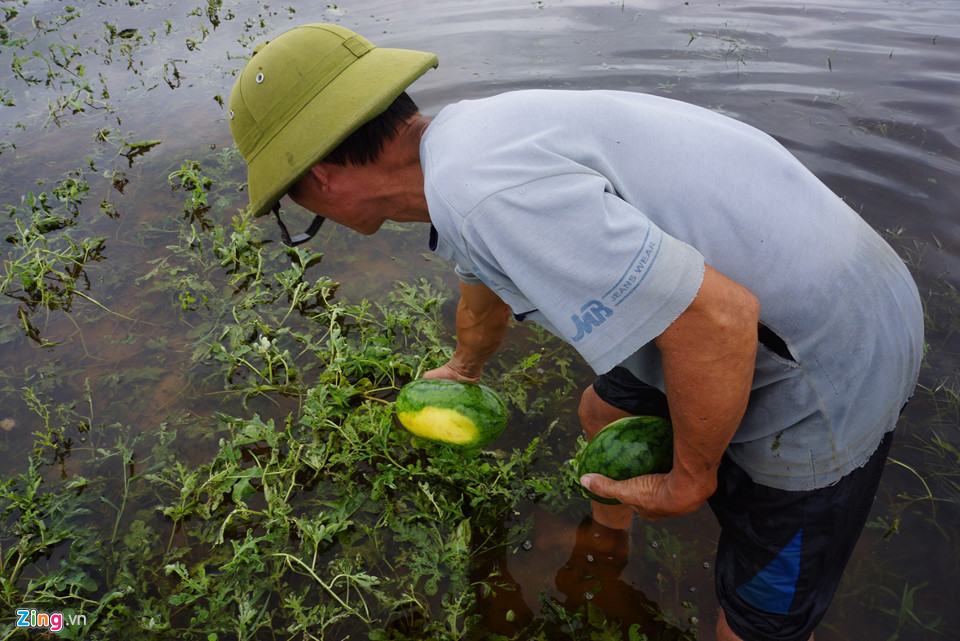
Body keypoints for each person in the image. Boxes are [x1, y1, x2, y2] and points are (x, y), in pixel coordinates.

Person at [226, 23, 924, 641]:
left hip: (825, 356)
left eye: (294, 202)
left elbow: (720, 320)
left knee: (759, 612)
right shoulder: (461, 147)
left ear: (320, 176)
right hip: (765, 284)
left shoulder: (486, 193)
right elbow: (485, 271)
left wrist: (691, 477)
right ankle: (604, 542)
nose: (304, 208)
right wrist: (466, 364)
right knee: (603, 410)